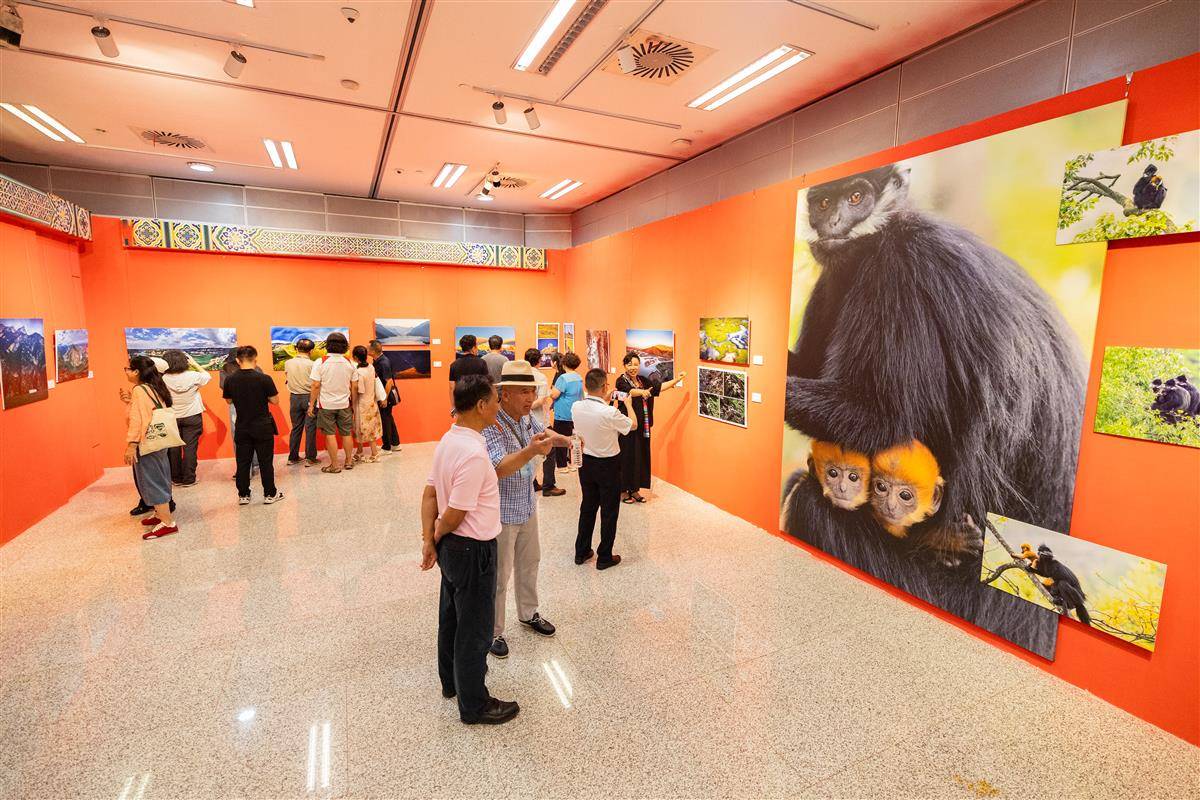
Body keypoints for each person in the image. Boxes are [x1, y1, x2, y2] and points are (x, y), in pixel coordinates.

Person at [419, 375, 519, 725]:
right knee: (475, 630)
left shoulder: (449, 440)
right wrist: (435, 534)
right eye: (495, 401)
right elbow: (454, 514)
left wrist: (430, 540)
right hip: (472, 550)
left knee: (451, 618)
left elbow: (430, 494)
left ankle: (451, 683)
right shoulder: (474, 454)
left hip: (452, 548)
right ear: (480, 405)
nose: (498, 406)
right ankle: (474, 705)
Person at [481, 360, 571, 659]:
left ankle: (528, 613)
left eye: (532, 391)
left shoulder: (525, 417)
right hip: (502, 512)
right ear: (504, 394)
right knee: (500, 575)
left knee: (530, 563)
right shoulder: (492, 423)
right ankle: (493, 631)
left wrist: (566, 440)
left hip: (527, 504)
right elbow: (498, 467)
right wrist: (531, 450)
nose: (530, 398)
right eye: (524, 392)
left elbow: (543, 433)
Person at [571, 368, 633, 569]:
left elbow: (594, 411)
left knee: (588, 507)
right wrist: (628, 405)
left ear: (586, 386)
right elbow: (632, 425)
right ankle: (604, 556)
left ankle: (581, 551)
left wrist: (604, 400)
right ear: (605, 387)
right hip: (608, 465)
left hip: (586, 463)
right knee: (609, 511)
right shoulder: (610, 412)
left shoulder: (576, 407)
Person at [616, 355, 686, 503]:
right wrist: (642, 392)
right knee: (626, 456)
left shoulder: (643, 380)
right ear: (625, 366)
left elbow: (659, 388)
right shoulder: (621, 381)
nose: (633, 367)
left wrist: (677, 380)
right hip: (628, 425)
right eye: (630, 364)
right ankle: (623, 491)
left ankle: (634, 489)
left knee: (640, 457)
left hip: (644, 426)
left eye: (636, 364)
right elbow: (630, 392)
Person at [123, 355, 179, 540]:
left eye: (128, 369)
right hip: (159, 440)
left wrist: (132, 444)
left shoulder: (140, 390)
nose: (126, 372)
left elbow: (138, 420)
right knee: (160, 476)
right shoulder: (154, 386)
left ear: (137, 372)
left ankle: (168, 523)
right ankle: (160, 514)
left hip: (147, 442)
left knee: (152, 481)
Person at [223, 345, 284, 505]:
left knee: (243, 462)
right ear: (255, 359)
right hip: (262, 425)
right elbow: (275, 401)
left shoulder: (230, 379)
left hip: (242, 426)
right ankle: (270, 494)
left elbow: (229, 401)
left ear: (238, 360)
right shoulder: (264, 378)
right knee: (265, 462)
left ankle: (243, 495)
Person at [308, 331, 358, 473]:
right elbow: (354, 386)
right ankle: (348, 461)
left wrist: (311, 405)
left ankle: (335, 465)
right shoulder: (351, 363)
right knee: (346, 433)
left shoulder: (320, 362)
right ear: (345, 346)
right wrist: (353, 404)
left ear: (328, 345)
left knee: (330, 434)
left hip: (326, 405)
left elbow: (315, 385)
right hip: (345, 404)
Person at [161, 350, 209, 487]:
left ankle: (176, 478)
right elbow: (207, 376)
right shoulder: (193, 376)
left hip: (171, 417)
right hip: (192, 416)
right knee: (190, 448)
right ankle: (189, 479)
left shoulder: (162, 379)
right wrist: (194, 363)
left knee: (173, 449)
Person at [523, 347, 560, 496]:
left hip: (522, 419)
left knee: (528, 450)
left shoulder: (522, 375)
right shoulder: (541, 377)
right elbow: (540, 401)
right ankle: (548, 485)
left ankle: (532, 483)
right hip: (538, 420)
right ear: (539, 361)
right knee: (550, 450)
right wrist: (528, 408)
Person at [220, 347, 260, 477]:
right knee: (256, 435)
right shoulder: (257, 369)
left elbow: (225, 391)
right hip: (256, 406)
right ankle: (255, 464)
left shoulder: (226, 371)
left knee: (239, 438)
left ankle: (244, 470)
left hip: (236, 406)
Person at [284, 338, 320, 467]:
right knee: (310, 428)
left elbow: (287, 377)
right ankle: (310, 458)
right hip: (309, 397)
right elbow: (316, 384)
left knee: (296, 428)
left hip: (294, 398)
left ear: (296, 348)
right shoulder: (313, 364)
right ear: (311, 351)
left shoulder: (288, 363)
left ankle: (293, 457)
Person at [549, 352, 584, 472]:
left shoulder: (563, 378)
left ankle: (562, 465)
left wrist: (550, 391)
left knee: (561, 440)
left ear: (564, 364)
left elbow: (554, 395)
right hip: (574, 414)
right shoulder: (579, 377)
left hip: (562, 414)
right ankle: (573, 463)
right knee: (573, 439)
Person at [351, 344, 383, 464]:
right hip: (371, 402)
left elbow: (359, 390)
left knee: (365, 428)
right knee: (366, 428)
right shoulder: (371, 367)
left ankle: (374, 454)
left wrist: (352, 403)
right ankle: (359, 451)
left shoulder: (358, 372)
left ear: (355, 357)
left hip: (362, 404)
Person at [369, 339, 401, 454]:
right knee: (388, 418)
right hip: (384, 396)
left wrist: (384, 398)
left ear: (373, 351)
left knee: (385, 420)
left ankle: (387, 447)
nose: (367, 350)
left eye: (368, 348)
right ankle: (395, 444)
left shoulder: (383, 362)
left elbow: (389, 382)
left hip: (385, 397)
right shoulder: (378, 361)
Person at [449, 333, 489, 413]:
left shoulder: (454, 364)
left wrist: (453, 406)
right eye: (476, 346)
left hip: (461, 403)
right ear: (473, 348)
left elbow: (451, 387)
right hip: (477, 403)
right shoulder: (481, 363)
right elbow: (486, 384)